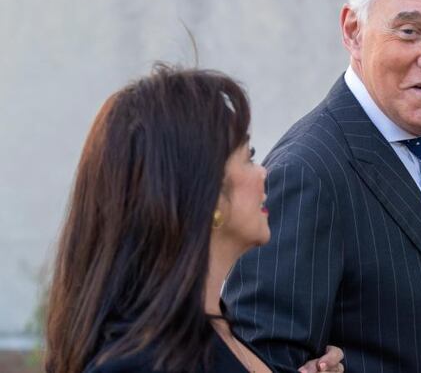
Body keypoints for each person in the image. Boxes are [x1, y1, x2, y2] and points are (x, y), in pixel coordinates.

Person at [223, 0, 421, 372]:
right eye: (409, 31)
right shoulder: (307, 172)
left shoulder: (415, 142)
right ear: (353, 32)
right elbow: (261, 358)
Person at [45, 65, 344, 373]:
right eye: (248, 156)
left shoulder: (214, 333)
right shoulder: (141, 362)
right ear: (204, 189)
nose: (263, 173)